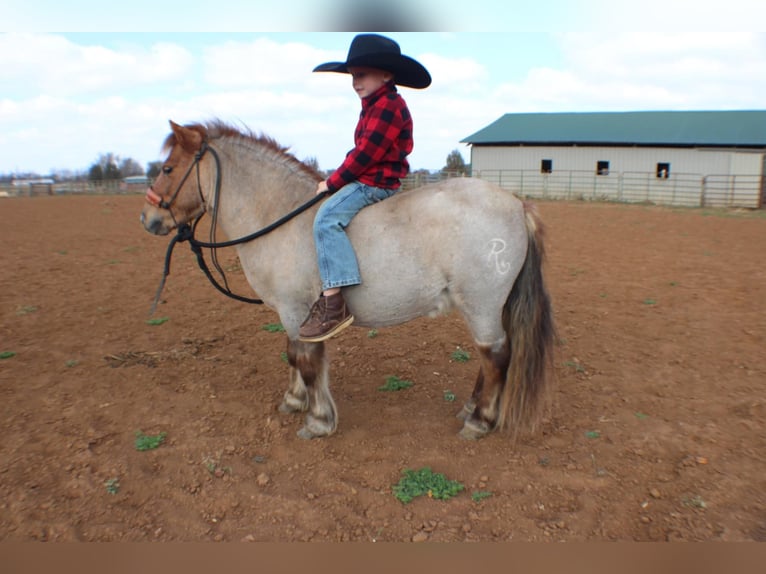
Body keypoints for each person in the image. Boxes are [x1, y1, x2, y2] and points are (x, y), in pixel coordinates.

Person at [298, 34, 431, 342]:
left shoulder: (388, 105)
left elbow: (366, 153)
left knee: (327, 218)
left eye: (361, 74)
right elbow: (361, 149)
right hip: (369, 177)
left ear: (386, 74)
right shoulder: (375, 104)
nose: (355, 82)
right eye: (353, 76)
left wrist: (332, 182)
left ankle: (334, 305)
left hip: (375, 183)